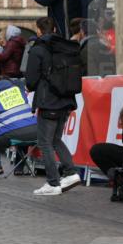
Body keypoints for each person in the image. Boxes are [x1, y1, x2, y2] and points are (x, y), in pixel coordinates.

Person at [25, 17, 82, 196]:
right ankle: (71, 172)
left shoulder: (39, 49)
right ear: (55, 30)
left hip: (48, 100)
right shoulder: (64, 47)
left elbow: (31, 81)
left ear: (39, 31)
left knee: (45, 142)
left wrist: (30, 85)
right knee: (56, 140)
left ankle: (53, 182)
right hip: (66, 100)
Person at [0, 75, 38, 178]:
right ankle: (19, 168)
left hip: (12, 135)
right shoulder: (19, 91)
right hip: (35, 133)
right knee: (22, 126)